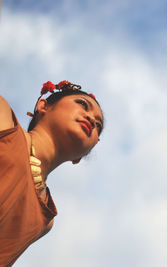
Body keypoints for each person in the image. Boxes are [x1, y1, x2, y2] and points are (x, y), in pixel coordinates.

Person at [0, 80, 104, 266]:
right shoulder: (3, 119)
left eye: (98, 125)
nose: (91, 120)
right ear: (43, 106)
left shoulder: (45, 220)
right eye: (82, 104)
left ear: (78, 158)